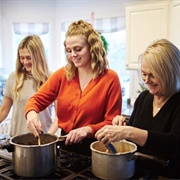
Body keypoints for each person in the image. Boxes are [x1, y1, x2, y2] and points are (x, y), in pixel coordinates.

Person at [24, 20, 122, 155]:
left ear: (92, 47)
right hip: (65, 146)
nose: (72, 55)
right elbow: (36, 100)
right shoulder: (62, 75)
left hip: (96, 148)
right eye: (69, 50)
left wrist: (87, 130)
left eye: (78, 49)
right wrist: (31, 114)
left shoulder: (110, 78)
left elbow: (112, 122)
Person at [95, 39, 180, 178]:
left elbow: (174, 144)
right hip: (138, 173)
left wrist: (128, 132)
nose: (146, 80)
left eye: (153, 75)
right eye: (144, 74)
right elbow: (135, 137)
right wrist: (123, 125)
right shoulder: (144, 98)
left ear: (169, 73)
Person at [0, 35, 54, 137]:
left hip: (43, 141)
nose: (25, 62)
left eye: (29, 58)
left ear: (39, 57)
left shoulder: (51, 78)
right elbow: (3, 111)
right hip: (17, 139)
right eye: (22, 58)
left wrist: (49, 137)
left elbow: (60, 116)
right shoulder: (13, 77)